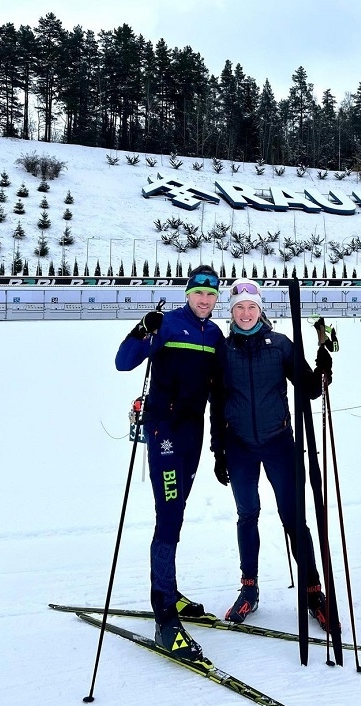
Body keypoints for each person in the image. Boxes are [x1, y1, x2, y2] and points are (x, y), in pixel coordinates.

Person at [211, 278, 334, 630]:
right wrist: (218, 449)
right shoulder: (223, 351)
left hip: (279, 442)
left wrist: (322, 368)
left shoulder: (279, 345)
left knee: (294, 517)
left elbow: (310, 389)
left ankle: (313, 590)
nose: (246, 313)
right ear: (231, 312)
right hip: (239, 446)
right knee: (247, 514)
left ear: (260, 310)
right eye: (239, 308)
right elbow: (216, 406)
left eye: (251, 307)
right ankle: (249, 588)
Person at [115, 265, 224, 662]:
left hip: (192, 438)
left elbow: (221, 391)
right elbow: (123, 362)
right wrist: (142, 329)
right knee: (168, 516)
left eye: (211, 295)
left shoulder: (214, 335)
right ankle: (165, 616)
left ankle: (169, 591)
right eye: (198, 293)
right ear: (188, 293)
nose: (204, 300)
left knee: (175, 515)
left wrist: (221, 445)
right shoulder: (166, 324)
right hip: (164, 435)